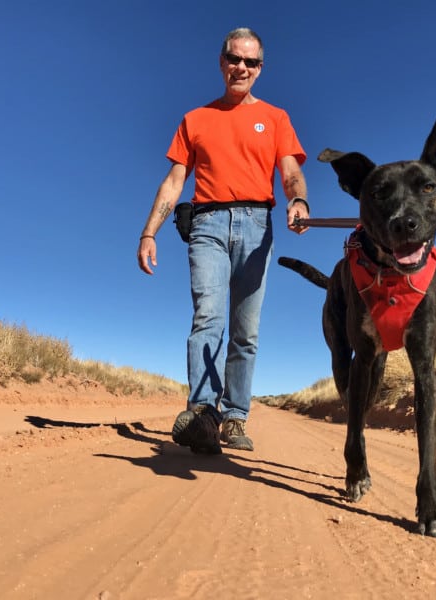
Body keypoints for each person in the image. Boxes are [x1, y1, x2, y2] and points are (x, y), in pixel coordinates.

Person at [137, 27, 309, 454]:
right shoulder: (195, 119)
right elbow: (174, 182)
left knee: (245, 331)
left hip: (257, 225)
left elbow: (289, 171)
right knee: (207, 318)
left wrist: (299, 200)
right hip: (208, 225)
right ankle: (201, 414)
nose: (241, 68)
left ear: (260, 69)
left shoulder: (275, 117)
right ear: (221, 61)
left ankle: (235, 417)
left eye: (250, 62)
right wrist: (148, 232)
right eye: (234, 59)